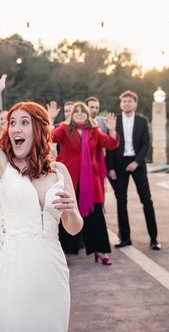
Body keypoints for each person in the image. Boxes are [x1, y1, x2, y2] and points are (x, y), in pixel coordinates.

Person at [0, 76, 83, 331]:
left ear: (39, 130)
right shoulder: (1, 167)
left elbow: (73, 228)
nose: (15, 128)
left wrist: (72, 211)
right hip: (12, 267)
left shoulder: (60, 171)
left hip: (51, 268)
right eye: (12, 123)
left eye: (24, 122)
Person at [51, 102, 119, 264]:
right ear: (71, 114)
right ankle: (66, 251)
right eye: (76, 111)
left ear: (87, 114)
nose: (79, 113)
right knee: (67, 213)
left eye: (83, 111)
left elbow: (112, 144)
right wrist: (50, 118)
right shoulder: (64, 129)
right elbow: (49, 137)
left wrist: (111, 129)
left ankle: (101, 251)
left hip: (91, 182)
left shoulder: (94, 131)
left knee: (96, 217)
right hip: (71, 180)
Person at [106, 91, 160, 250]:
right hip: (119, 164)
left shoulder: (142, 121)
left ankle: (154, 238)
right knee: (121, 201)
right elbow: (110, 144)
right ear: (121, 104)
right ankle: (125, 237)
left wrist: (136, 162)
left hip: (137, 163)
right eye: (124, 101)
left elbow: (146, 144)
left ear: (135, 104)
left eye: (130, 101)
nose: (127, 104)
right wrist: (110, 167)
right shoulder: (114, 120)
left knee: (146, 200)